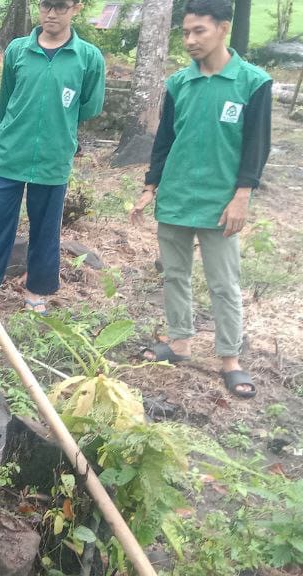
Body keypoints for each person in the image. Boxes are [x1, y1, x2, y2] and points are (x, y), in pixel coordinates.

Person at [130, 0, 271, 399]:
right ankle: (180, 343)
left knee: (223, 282)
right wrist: (150, 187)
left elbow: (257, 145)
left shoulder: (252, 82)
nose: (190, 40)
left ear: (223, 28)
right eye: (186, 32)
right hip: (177, 195)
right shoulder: (179, 83)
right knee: (174, 274)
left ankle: (230, 359)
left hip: (221, 202)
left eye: (199, 31)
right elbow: (164, 140)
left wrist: (242, 195)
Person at [0, 0, 104, 314]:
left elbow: (90, 106)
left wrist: (59, 123)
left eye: (61, 6)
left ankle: (37, 291)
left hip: (53, 157)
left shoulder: (88, 57)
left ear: (77, 8)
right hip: (8, 153)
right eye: (45, 5)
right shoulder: (18, 50)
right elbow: (7, 99)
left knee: (46, 227)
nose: (51, 13)